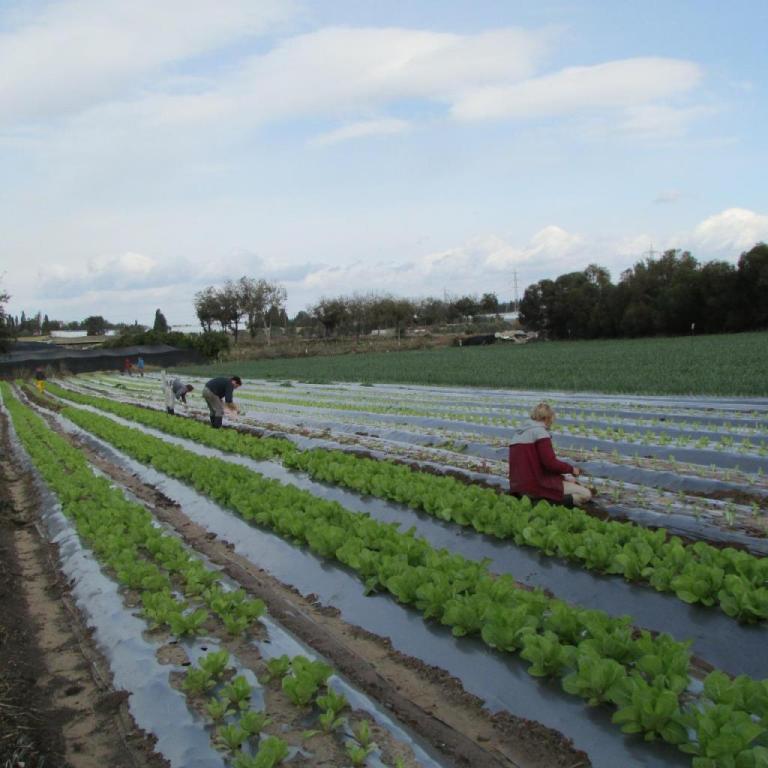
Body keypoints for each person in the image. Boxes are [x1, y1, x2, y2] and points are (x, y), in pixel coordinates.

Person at [508, 402, 592, 507]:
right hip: (534, 486)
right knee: (585, 494)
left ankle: (533, 500)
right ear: (548, 418)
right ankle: (545, 503)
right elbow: (550, 463)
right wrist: (572, 469)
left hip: (517, 486)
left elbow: (538, 465)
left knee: (568, 481)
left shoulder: (517, 434)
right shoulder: (540, 433)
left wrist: (564, 477)